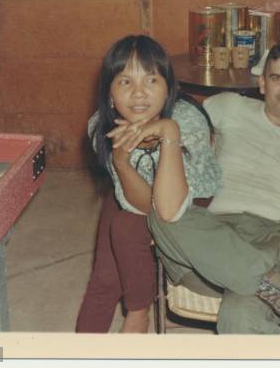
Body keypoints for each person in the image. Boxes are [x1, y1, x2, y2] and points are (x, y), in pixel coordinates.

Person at [148, 42, 280, 334]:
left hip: (276, 238)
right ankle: (272, 285)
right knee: (162, 212)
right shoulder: (230, 107)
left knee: (240, 312)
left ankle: (264, 281)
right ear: (262, 83)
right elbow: (176, 116)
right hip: (210, 243)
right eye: (276, 78)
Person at [76, 34, 222, 333]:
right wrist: (120, 161)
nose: (139, 93)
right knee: (105, 278)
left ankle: (138, 312)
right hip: (133, 192)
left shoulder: (187, 120)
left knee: (126, 227)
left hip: (186, 195)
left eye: (151, 80)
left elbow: (167, 210)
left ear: (168, 88)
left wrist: (168, 131)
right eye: (125, 81)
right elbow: (141, 204)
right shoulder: (100, 127)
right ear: (109, 94)